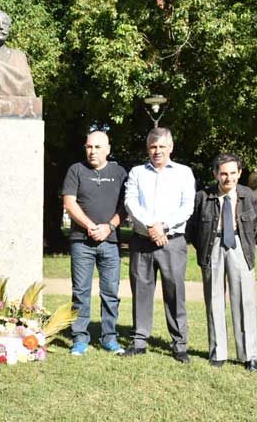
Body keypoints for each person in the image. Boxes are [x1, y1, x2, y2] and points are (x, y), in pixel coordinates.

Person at [121, 127, 195, 363]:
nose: (157, 151)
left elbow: (187, 207)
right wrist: (152, 225)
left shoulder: (184, 173)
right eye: (153, 147)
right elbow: (130, 202)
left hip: (172, 242)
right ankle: (140, 340)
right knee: (141, 291)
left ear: (170, 148)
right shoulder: (137, 172)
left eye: (162, 146)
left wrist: (163, 226)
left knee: (175, 293)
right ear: (147, 149)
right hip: (142, 241)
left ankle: (179, 344)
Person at [186, 153, 257, 372]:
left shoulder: (248, 195)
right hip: (213, 248)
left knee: (244, 301)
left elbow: (255, 223)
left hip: (240, 248)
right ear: (215, 174)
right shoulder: (203, 196)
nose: (228, 178)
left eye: (233, 173)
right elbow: (193, 228)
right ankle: (218, 352)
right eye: (223, 173)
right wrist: (204, 248)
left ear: (240, 173)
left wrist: (241, 240)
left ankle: (249, 355)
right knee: (214, 299)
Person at [62, 131, 128, 356]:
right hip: (82, 242)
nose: (93, 151)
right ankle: (80, 338)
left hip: (110, 242)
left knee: (110, 292)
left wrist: (109, 227)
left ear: (108, 149)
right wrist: (90, 226)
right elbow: (69, 203)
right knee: (80, 291)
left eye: (98, 147)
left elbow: (125, 206)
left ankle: (109, 337)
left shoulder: (119, 173)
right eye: (89, 147)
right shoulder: (76, 170)